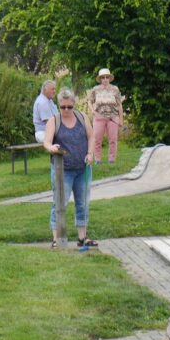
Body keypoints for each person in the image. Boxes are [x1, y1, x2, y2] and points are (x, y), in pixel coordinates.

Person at [42, 89, 98, 249]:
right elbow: (46, 142)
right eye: (62, 107)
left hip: (82, 168)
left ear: (74, 104)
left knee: (83, 203)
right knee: (60, 203)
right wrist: (51, 147)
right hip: (62, 171)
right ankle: (56, 239)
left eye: (69, 107)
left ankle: (82, 237)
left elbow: (91, 136)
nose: (66, 110)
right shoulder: (54, 121)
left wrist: (90, 153)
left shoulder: (82, 117)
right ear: (59, 106)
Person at [87, 68, 123, 164]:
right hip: (99, 118)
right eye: (103, 77)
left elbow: (119, 105)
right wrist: (93, 111)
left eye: (107, 77)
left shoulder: (115, 89)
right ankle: (98, 160)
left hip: (113, 117)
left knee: (113, 140)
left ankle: (111, 160)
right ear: (100, 79)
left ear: (109, 78)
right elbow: (89, 101)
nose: (105, 79)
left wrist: (121, 120)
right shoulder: (95, 89)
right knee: (97, 140)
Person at [32, 80, 59, 144]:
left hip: (48, 132)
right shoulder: (42, 102)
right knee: (66, 137)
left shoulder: (49, 100)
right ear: (45, 90)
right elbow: (50, 122)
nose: (54, 91)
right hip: (43, 133)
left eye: (54, 89)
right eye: (52, 89)